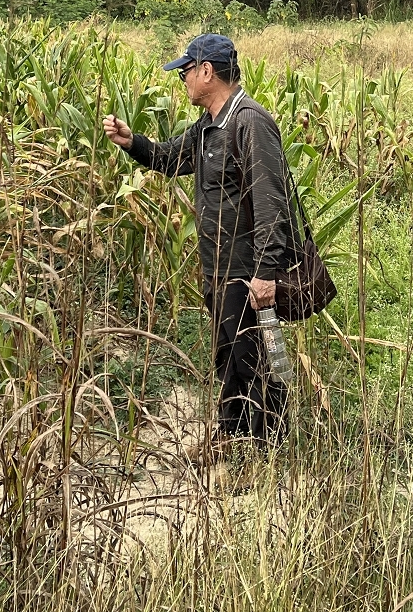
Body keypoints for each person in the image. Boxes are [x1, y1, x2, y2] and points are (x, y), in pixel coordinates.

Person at [103, 33, 297, 459]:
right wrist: (132, 141)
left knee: (253, 358)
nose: (184, 80)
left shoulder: (250, 122)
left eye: (186, 71)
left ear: (207, 71)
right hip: (218, 267)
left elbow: (271, 204)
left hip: (246, 269)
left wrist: (265, 273)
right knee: (229, 354)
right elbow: (171, 159)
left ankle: (268, 449)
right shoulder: (210, 124)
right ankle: (233, 436)